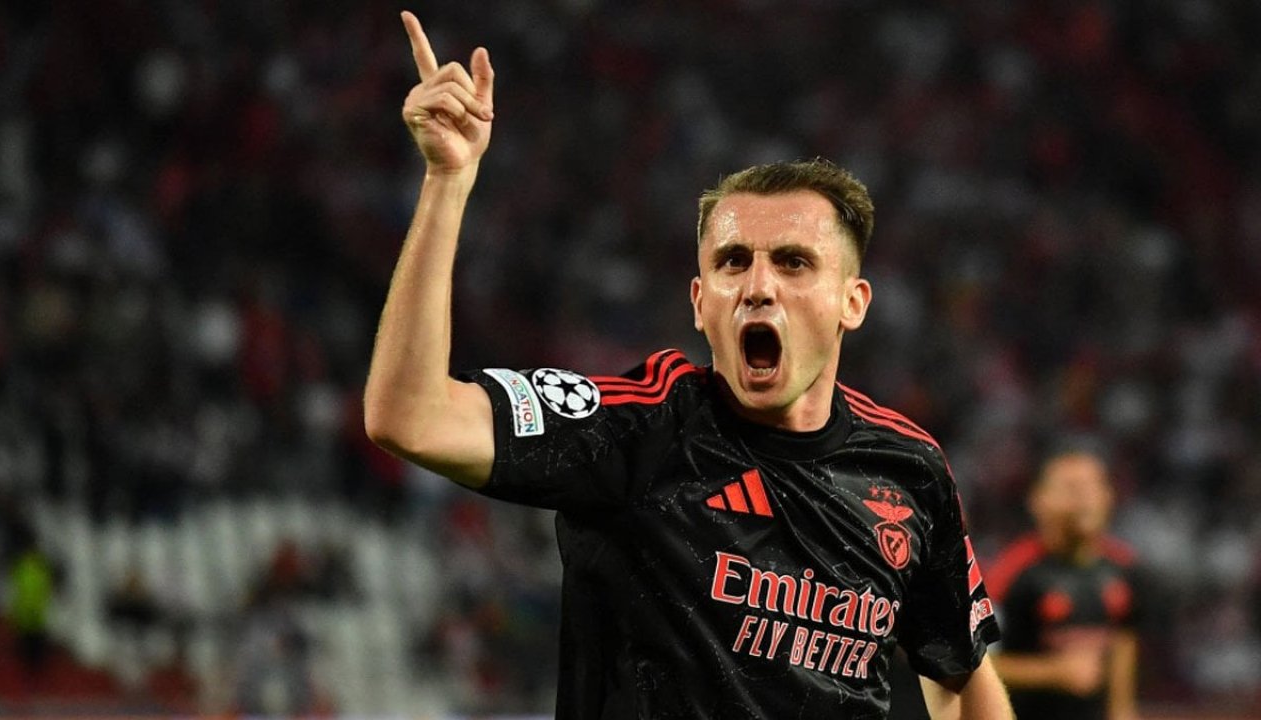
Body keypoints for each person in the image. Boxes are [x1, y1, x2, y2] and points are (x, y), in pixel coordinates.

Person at [364, 11, 1011, 719]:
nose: (758, 286)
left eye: (793, 262)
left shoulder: (908, 469)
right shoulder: (637, 430)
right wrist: (447, 181)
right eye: (733, 262)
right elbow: (410, 416)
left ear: (851, 303)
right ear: (701, 303)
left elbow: (960, 673)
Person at [986, 445, 1140, 720]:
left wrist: (1122, 709)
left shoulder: (1123, 569)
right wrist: (1053, 672)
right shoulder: (1010, 574)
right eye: (1071, 488)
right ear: (1038, 500)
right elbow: (973, 664)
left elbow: (1123, 641)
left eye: (1092, 486)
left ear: (1109, 496)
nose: (1083, 499)